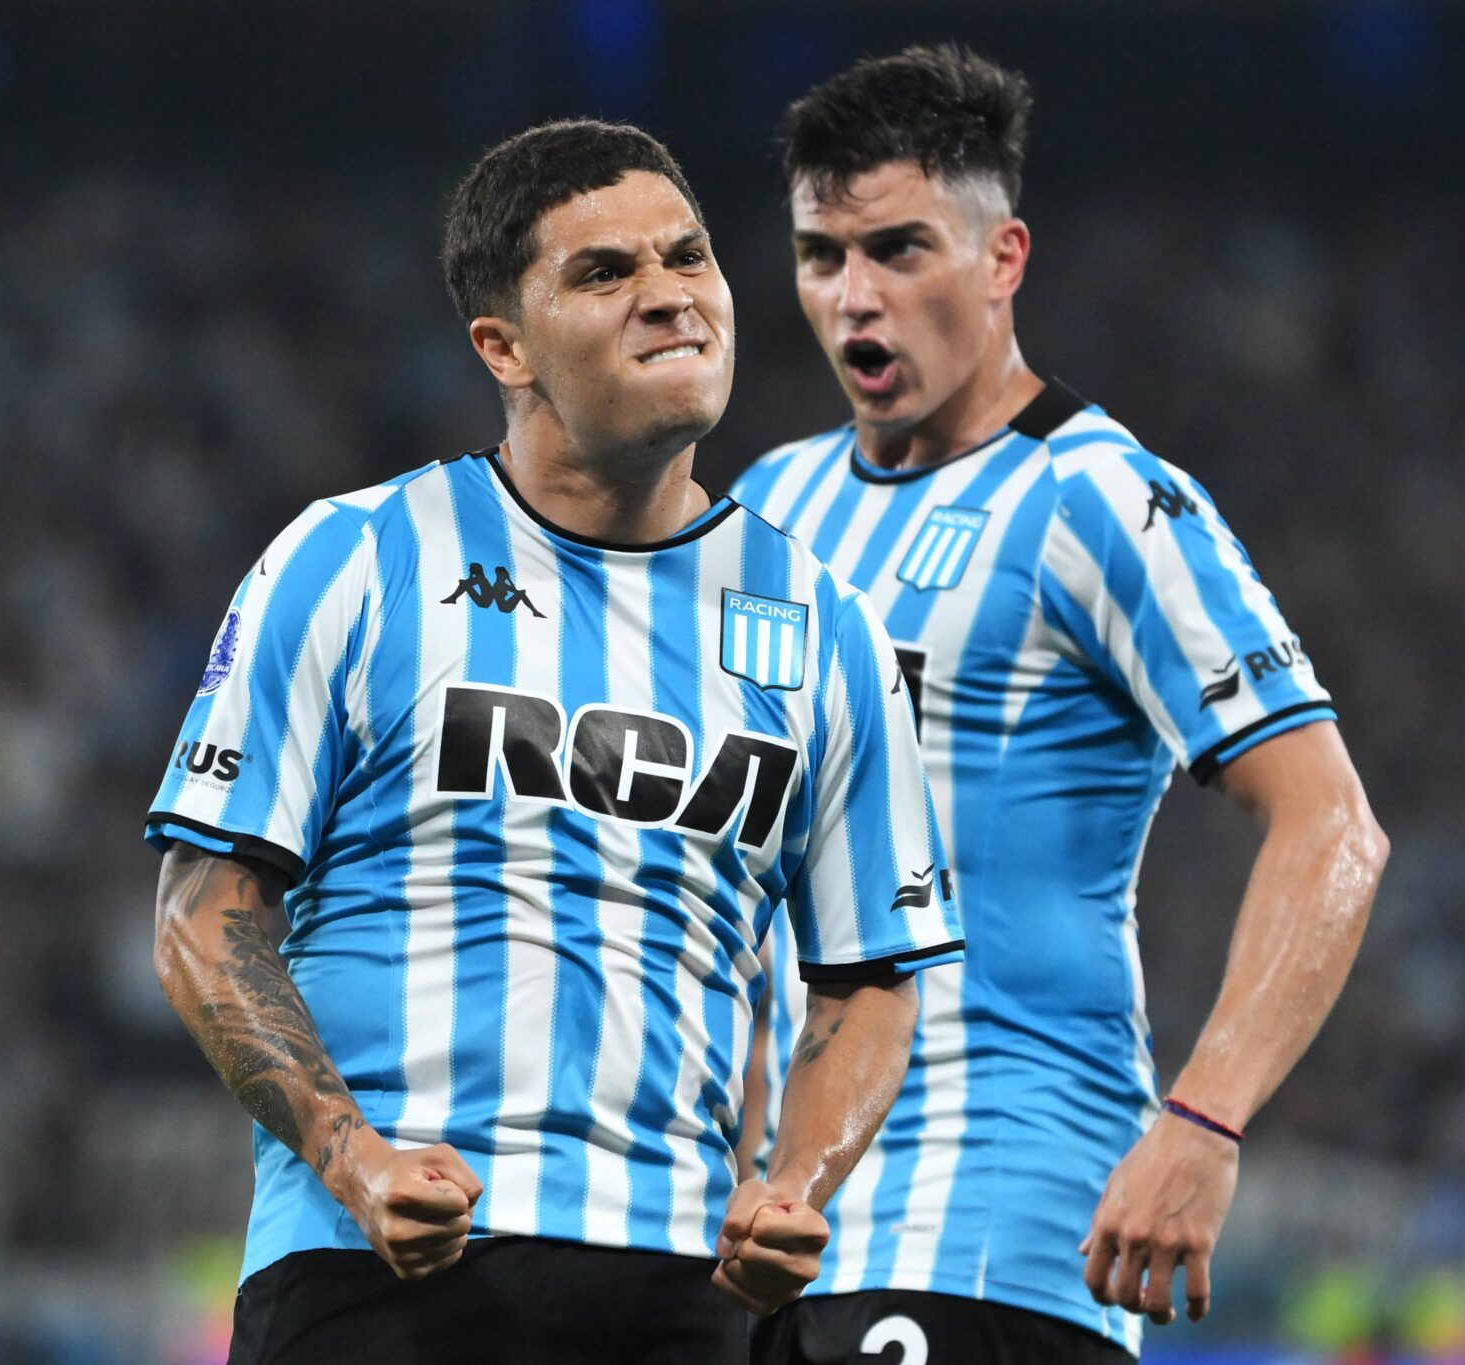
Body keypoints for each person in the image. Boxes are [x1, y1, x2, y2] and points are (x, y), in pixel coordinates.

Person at [145, 118, 963, 1365]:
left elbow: (868, 975)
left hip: (682, 1284)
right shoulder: (355, 558)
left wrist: (795, 1184)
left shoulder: (826, 627)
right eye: (605, 272)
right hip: (381, 1264)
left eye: (687, 256)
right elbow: (203, 915)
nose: (669, 295)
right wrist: (353, 1162)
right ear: (504, 346)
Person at [734, 47, 1389, 1364]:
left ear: (1002, 258)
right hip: (772, 1235)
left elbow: (1331, 827)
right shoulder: (767, 505)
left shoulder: (1101, 500)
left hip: (994, 1216)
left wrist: (1202, 1122)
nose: (856, 296)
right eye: (821, 256)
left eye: (900, 249)